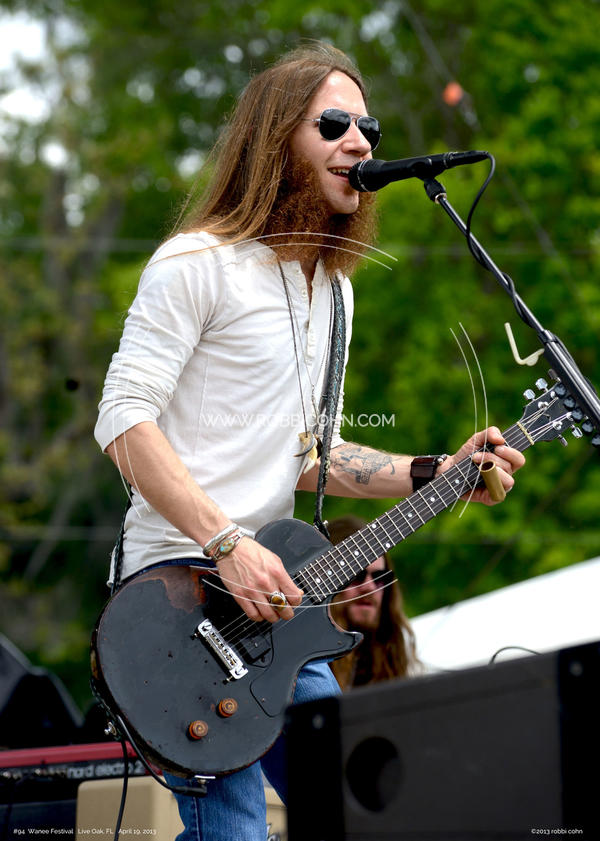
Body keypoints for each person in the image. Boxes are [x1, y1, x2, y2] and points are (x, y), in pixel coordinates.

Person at [94, 42, 525, 841]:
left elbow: (311, 456)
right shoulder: (195, 263)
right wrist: (226, 542)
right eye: (333, 124)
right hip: (176, 600)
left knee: (360, 809)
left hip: (278, 607)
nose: (360, 142)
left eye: (368, 128)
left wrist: (439, 469)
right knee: (233, 829)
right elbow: (121, 417)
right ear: (275, 138)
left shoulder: (335, 291)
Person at [327, 515, 420, 690]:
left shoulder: (389, 662)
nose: (369, 587)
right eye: (356, 574)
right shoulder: (299, 666)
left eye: (378, 577)